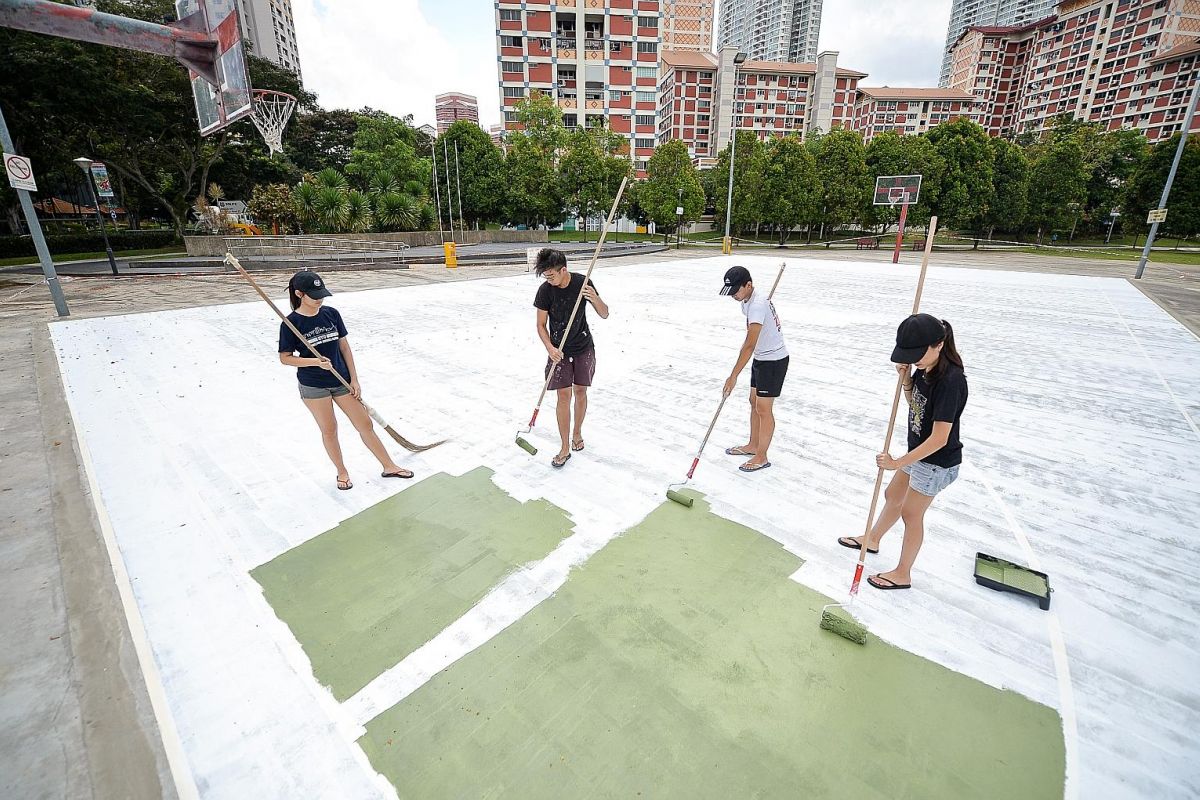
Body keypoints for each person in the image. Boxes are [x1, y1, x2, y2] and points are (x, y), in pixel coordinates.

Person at [837, 313, 968, 590]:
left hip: (936, 462)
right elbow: (917, 406)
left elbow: (940, 438)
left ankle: (903, 573)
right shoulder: (924, 369)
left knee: (911, 513)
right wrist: (907, 380)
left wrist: (897, 463)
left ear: (939, 344)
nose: (914, 359)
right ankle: (872, 539)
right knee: (892, 495)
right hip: (918, 453)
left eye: (919, 353)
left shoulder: (950, 381)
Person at [277, 270, 413, 491]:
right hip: (313, 385)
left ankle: (389, 466)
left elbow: (344, 347)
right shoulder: (291, 324)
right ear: (300, 294)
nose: (320, 298)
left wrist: (355, 380)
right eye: (314, 295)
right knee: (330, 430)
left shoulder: (331, 314)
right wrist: (314, 362)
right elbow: (285, 359)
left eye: (321, 293)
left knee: (365, 424)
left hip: (341, 379)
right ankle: (342, 472)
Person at [533, 248, 609, 468]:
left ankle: (577, 432)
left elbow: (604, 313)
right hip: (559, 350)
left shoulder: (582, 283)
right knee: (563, 396)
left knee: (580, 391)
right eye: (545, 276)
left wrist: (594, 298)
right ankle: (565, 446)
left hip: (583, 346)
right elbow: (540, 325)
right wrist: (550, 348)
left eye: (551, 276)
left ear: (563, 269)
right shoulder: (545, 291)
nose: (548, 280)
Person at [720, 266, 788, 472]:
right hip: (761, 358)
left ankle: (761, 456)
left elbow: (749, 344)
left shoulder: (757, 305)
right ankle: (752, 445)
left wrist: (733, 376)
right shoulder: (748, 301)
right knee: (753, 402)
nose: (733, 296)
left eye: (735, 291)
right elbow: (751, 341)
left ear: (748, 285)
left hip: (773, 361)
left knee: (764, 409)